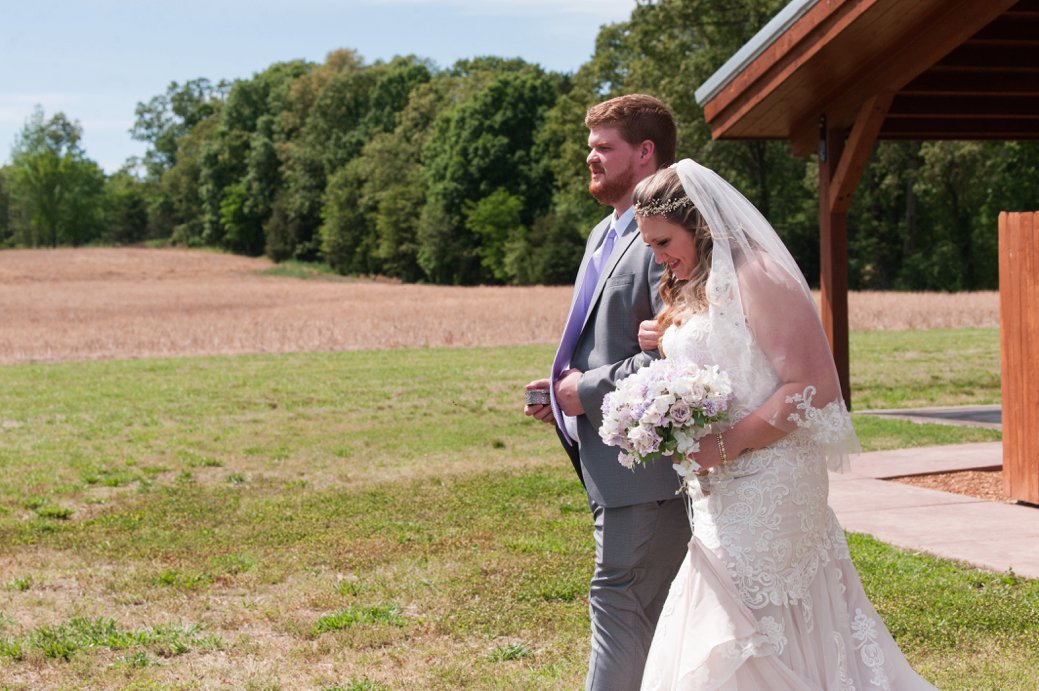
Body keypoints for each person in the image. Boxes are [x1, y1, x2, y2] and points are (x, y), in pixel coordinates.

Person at [630, 159, 936, 690]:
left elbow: (813, 386)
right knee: (731, 622)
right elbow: (734, 353)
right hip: (717, 493)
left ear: (699, 225)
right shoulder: (699, 283)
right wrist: (665, 346)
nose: (656, 257)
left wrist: (722, 445)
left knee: (749, 628)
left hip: (772, 486)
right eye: (650, 246)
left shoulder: (759, 277)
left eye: (662, 242)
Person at [523, 94, 691, 691]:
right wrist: (561, 393)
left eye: (603, 147)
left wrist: (585, 390)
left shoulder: (672, 236)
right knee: (641, 609)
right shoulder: (604, 230)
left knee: (617, 599)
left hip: (646, 471)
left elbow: (679, 350)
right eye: (589, 145)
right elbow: (610, 336)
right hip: (606, 456)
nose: (589, 157)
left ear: (644, 153)